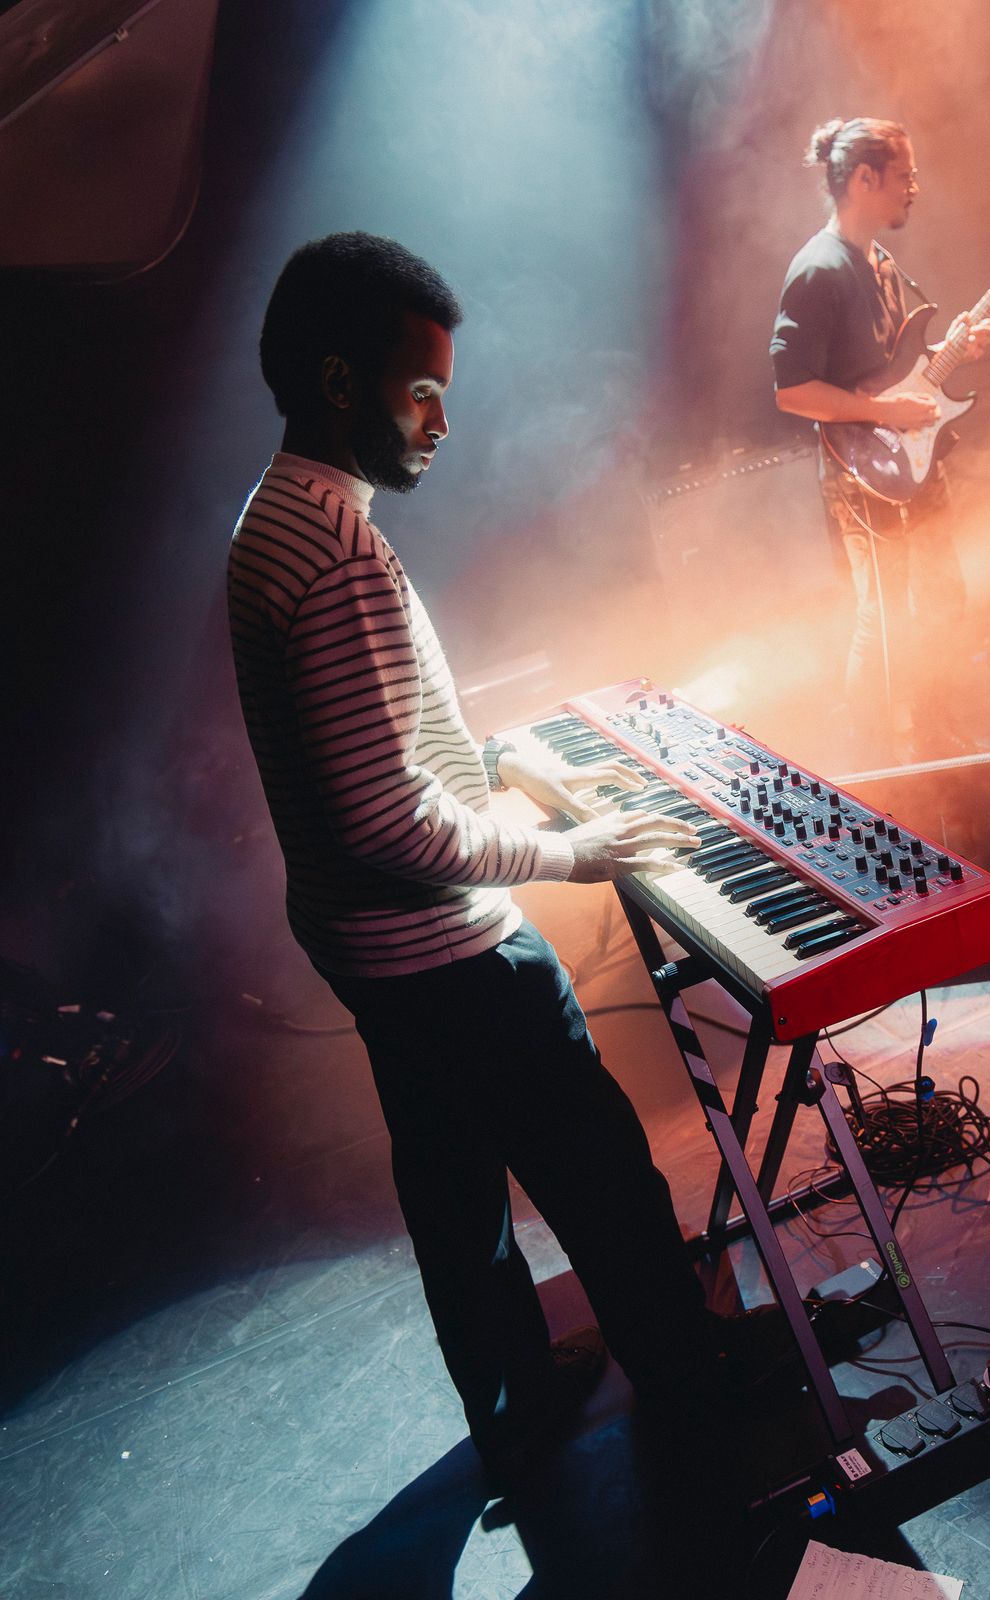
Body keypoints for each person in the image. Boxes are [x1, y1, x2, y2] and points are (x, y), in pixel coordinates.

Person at [227, 231, 730, 1485]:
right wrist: (568, 850)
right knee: (604, 1179)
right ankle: (695, 1394)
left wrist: (481, 754)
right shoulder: (339, 552)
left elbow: (364, 748)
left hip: (362, 948)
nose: (442, 422)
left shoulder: (271, 518)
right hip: (444, 950)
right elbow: (384, 820)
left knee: (453, 1194)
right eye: (422, 392)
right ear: (339, 381)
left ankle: (515, 1407)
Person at [770, 117, 990, 767]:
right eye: (905, 175)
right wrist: (881, 411)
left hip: (915, 463)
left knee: (944, 599)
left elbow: (897, 368)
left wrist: (954, 349)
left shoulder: (884, 263)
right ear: (865, 179)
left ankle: (940, 741)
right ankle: (873, 766)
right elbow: (791, 391)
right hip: (861, 475)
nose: (915, 188)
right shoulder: (817, 270)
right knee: (885, 621)